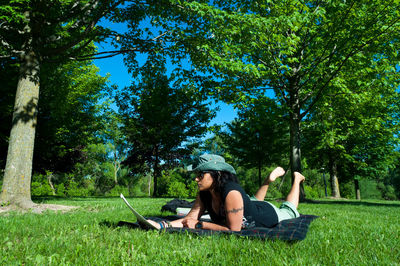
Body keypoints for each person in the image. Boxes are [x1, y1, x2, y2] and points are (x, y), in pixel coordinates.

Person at [146, 154, 305, 231]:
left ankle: (297, 179)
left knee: (290, 208)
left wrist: (201, 224)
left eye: (201, 174)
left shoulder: (231, 192)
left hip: (267, 214)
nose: (196, 179)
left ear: (217, 174)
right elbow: (189, 219)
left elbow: (234, 230)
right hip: (249, 206)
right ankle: (267, 181)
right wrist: (161, 225)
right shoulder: (204, 192)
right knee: (253, 200)